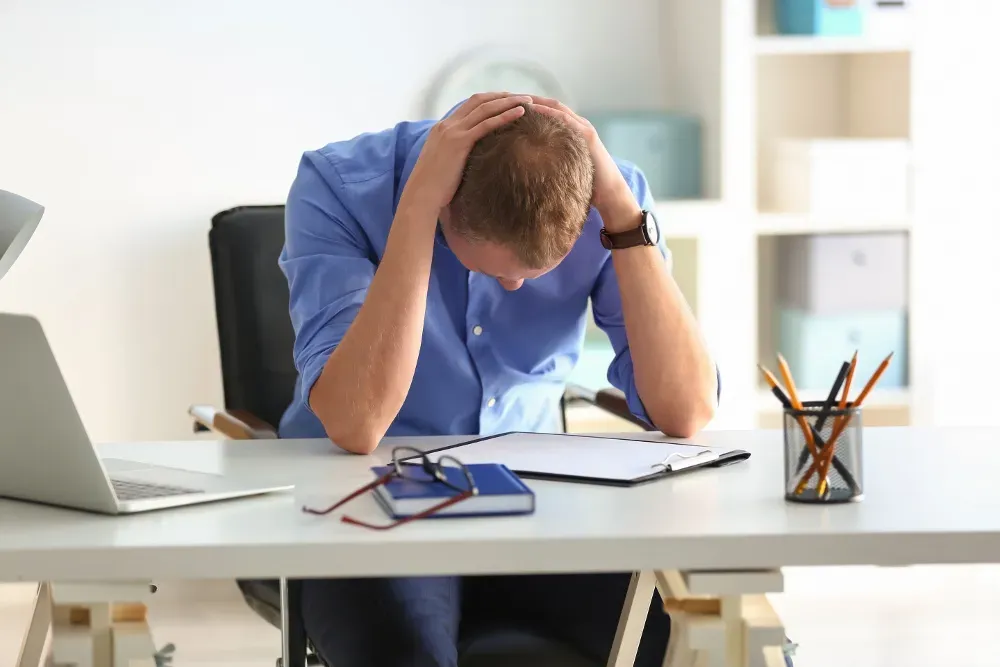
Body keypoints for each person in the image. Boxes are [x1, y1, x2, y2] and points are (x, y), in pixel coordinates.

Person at [278, 93, 722, 667]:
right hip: (370, 504)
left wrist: (622, 216)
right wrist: (417, 210)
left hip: (535, 507)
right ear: (447, 207)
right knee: (404, 653)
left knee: (683, 637)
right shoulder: (336, 186)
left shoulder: (613, 195)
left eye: (533, 274)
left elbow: (686, 410)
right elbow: (356, 424)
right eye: (492, 268)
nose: (513, 288)